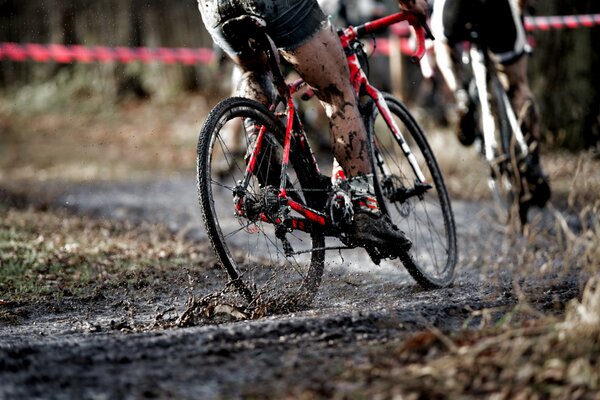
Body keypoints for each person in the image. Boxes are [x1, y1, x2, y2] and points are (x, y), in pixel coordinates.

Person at [196, 0, 428, 252]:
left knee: (255, 72)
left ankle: (266, 168)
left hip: (215, 6)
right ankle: (364, 210)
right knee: (337, 92)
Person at [430, 0, 550, 208]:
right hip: (496, 8)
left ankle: (461, 96)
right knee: (518, 84)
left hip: (455, 8)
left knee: (442, 44)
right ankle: (533, 159)